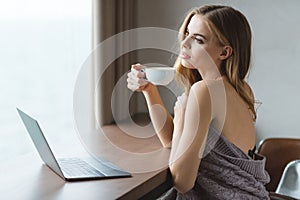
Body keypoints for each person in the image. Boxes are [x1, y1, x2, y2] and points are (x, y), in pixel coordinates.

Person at [127, 5, 271, 199]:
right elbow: (173, 143)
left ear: (224, 52)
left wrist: (180, 119)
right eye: (187, 33)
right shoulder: (242, 88)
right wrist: (149, 91)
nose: (184, 43)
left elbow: (182, 181)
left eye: (198, 39)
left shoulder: (205, 92)